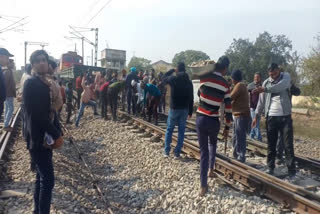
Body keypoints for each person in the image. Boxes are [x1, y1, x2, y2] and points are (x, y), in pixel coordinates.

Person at [23, 50, 63, 214]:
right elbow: (39, 115)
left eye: (44, 60)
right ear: (33, 65)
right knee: (48, 181)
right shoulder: (33, 83)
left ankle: (37, 211)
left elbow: (49, 112)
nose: (42, 63)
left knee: (41, 178)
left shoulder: (42, 82)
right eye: (38, 61)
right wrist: (56, 134)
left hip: (41, 138)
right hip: (39, 139)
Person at [195, 56, 232, 196]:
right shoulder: (225, 85)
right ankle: (211, 170)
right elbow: (228, 108)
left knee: (203, 152)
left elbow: (200, 93)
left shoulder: (204, 78)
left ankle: (203, 186)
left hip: (201, 118)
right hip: (213, 121)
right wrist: (227, 127)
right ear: (225, 68)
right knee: (213, 144)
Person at [252, 63, 296, 177]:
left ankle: (291, 171)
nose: (273, 76)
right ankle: (270, 167)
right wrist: (256, 116)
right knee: (271, 144)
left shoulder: (285, 77)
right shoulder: (266, 82)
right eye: (271, 74)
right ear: (268, 73)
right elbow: (261, 102)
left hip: (285, 116)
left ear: (278, 70)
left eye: (275, 73)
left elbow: (282, 86)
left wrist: (265, 89)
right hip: (271, 117)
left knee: (288, 145)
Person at [162, 62, 194, 158]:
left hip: (174, 108)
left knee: (169, 129)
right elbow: (191, 97)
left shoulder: (174, 78)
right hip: (184, 109)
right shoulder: (189, 81)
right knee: (181, 131)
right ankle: (177, 153)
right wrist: (190, 111)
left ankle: (166, 152)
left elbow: (164, 78)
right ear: (184, 70)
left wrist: (172, 70)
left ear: (177, 69)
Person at [276, 80, 301, 164]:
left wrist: (291, 86)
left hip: (286, 114)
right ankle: (279, 156)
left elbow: (298, 92)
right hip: (277, 113)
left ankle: (283, 156)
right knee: (280, 136)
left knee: (286, 136)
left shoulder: (288, 85)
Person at [230, 70, 250, 163]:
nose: (231, 80)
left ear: (235, 78)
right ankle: (236, 153)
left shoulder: (239, 85)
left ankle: (241, 156)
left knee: (240, 136)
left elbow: (231, 97)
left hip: (241, 114)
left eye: (232, 78)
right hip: (239, 114)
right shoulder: (240, 85)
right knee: (236, 135)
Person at [0, 48, 16, 132]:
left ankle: (6, 124)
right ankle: (6, 125)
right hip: (8, 94)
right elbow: (4, 85)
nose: (13, 64)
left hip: (7, 94)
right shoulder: (7, 72)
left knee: (7, 108)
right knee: (11, 109)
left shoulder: (7, 71)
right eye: (7, 58)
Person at [247, 72, 263, 141]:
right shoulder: (250, 85)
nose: (256, 78)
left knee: (256, 122)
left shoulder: (262, 86)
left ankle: (253, 136)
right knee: (255, 122)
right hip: (252, 107)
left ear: (260, 78)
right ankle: (255, 136)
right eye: (255, 77)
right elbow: (246, 93)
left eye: (258, 77)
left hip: (259, 107)